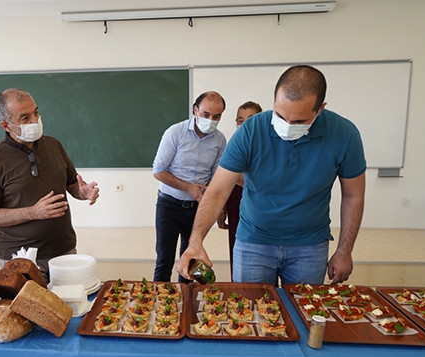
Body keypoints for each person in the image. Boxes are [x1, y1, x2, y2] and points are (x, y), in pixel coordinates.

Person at [177, 65, 366, 286]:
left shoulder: (345, 134)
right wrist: (196, 241)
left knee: (302, 306)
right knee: (249, 304)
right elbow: (217, 191)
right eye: (280, 115)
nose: (287, 126)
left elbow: (353, 195)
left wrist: (344, 250)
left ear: (320, 109)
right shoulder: (250, 131)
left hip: (309, 245)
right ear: (274, 99)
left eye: (299, 122)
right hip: (253, 242)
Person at [0, 88, 99, 282]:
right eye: (25, 118)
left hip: (64, 250)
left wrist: (83, 192)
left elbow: (72, 185)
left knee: (71, 300)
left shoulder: (54, 145)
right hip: (21, 257)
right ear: (6, 125)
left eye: (36, 113)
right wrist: (33, 212)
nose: (35, 121)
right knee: (30, 302)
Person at [152, 91, 227, 283]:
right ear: (195, 110)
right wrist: (188, 188)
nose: (211, 120)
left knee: (191, 263)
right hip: (169, 205)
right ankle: (160, 300)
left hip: (197, 208)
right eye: (206, 114)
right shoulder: (175, 132)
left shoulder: (220, 140)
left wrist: (217, 207)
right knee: (164, 261)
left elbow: (216, 178)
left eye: (216, 117)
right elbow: (158, 171)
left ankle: (185, 300)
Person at [216, 101, 262, 278]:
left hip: (261, 204)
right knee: (236, 248)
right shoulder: (234, 145)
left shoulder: (268, 145)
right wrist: (222, 210)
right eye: (240, 121)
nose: (244, 125)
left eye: (250, 119)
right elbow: (223, 181)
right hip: (236, 200)